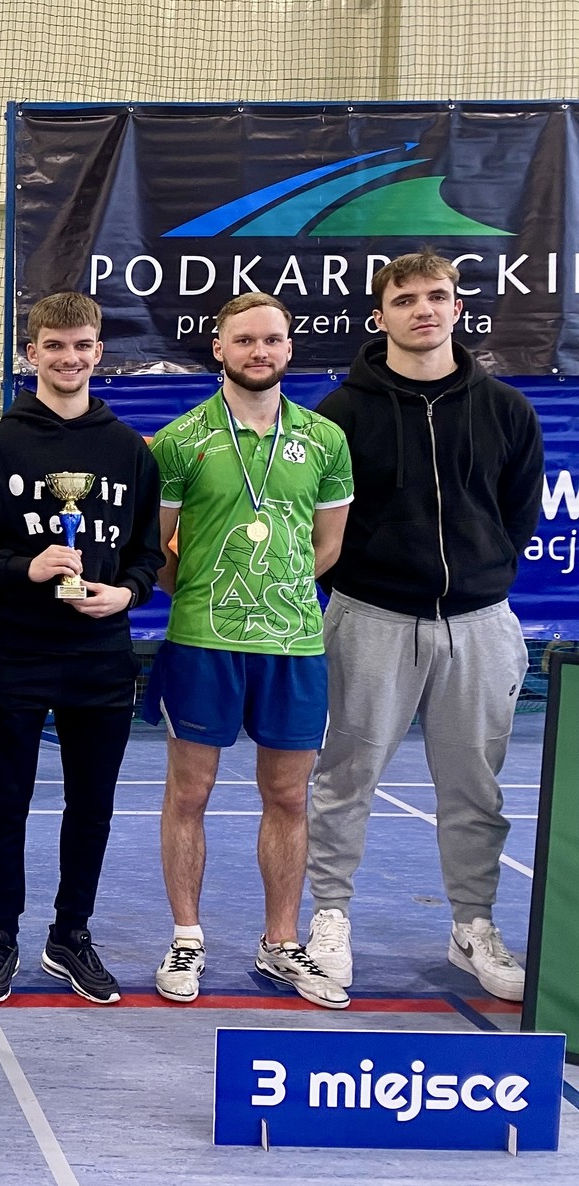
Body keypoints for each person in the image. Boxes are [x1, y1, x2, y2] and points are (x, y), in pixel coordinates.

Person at [304, 253, 543, 1001]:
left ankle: (473, 925)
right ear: (380, 317)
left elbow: (517, 516)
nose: (423, 310)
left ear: (457, 307)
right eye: (405, 299)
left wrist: (478, 579)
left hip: (480, 625)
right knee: (345, 779)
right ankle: (330, 918)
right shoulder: (339, 414)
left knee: (476, 790)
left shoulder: (507, 409)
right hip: (370, 618)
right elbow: (324, 523)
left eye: (436, 296)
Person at [0, 293, 162, 1004]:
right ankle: (1, 933)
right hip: (14, 656)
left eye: (83, 345)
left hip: (102, 658)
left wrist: (125, 594)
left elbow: (148, 554)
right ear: (31, 353)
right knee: (7, 805)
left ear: (99, 351)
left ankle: (70, 934)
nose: (70, 358)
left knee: (92, 807)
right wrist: (23, 568)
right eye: (55, 346)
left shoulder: (129, 450)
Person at [143, 292, 353, 1009]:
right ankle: (186, 936)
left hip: (293, 647)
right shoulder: (181, 440)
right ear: (220, 349)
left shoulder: (324, 439)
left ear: (289, 348)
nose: (258, 352)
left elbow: (328, 546)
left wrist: (277, 597)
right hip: (202, 644)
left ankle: (280, 943)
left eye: (271, 340)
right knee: (189, 793)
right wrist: (209, 597)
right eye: (244, 340)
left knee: (289, 796)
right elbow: (158, 551)